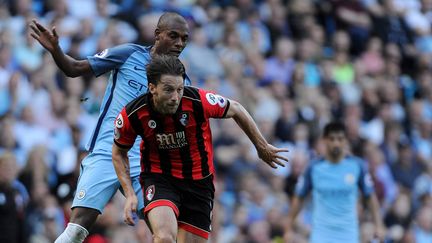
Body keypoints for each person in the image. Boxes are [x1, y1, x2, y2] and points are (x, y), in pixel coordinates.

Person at [29, 12, 191, 243]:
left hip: (145, 164)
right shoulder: (129, 54)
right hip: (107, 152)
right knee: (75, 231)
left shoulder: (181, 81)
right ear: (157, 35)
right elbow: (74, 68)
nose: (179, 43)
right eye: (173, 36)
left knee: (166, 235)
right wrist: (56, 49)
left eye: (184, 39)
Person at [112, 55, 289, 243]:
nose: (175, 97)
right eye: (168, 90)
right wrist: (130, 193)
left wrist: (261, 147)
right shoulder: (133, 114)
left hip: (199, 183)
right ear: (152, 88)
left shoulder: (198, 100)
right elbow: (118, 152)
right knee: (164, 237)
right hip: (160, 178)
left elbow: (236, 108)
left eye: (179, 90)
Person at [284, 121, 386, 243]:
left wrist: (379, 226)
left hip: (348, 234)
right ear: (324, 140)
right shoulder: (313, 168)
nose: (336, 143)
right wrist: (288, 228)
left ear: (346, 141)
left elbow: (370, 197)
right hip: (321, 234)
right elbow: (298, 198)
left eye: (340, 139)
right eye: (332, 139)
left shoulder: (357, 166)